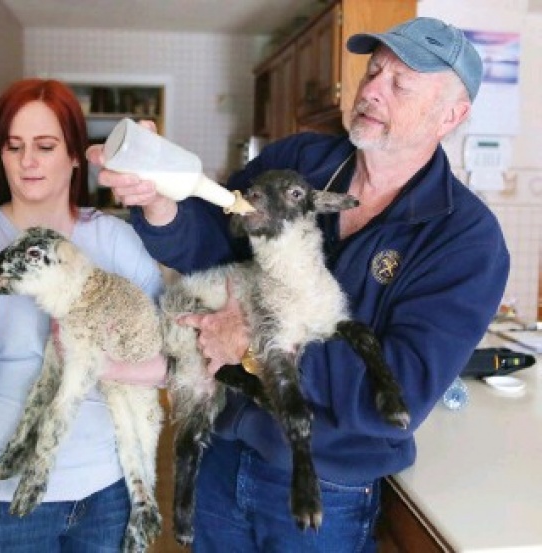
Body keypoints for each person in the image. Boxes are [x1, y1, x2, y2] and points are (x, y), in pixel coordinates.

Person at [88, 17, 510, 552]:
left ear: (451, 115)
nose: (372, 90)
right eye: (373, 71)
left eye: (400, 84)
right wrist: (159, 203)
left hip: (323, 487)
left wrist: (252, 343)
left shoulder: (465, 239)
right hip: (223, 450)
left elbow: (398, 391)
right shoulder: (300, 161)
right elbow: (214, 243)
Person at [0, 78, 167, 552]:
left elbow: (172, 362)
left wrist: (100, 364)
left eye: (45, 146)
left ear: (75, 156)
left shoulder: (114, 242)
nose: (28, 160)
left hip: (105, 494)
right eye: (14, 146)